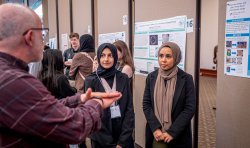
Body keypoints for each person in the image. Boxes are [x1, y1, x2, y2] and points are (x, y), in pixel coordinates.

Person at [0, 3, 121, 147]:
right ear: (30, 37)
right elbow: (74, 128)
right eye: (42, 34)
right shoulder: (15, 81)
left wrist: (81, 99)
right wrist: (97, 103)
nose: (43, 41)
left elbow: (44, 109)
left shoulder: (9, 74)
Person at [143, 42, 196, 148]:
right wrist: (155, 128)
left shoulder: (186, 79)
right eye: (161, 56)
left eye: (168, 56)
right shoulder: (151, 77)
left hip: (178, 135)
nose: (163, 60)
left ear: (176, 58)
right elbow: (146, 104)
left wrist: (172, 132)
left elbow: (190, 108)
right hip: (155, 133)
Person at [84, 43, 135, 148]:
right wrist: (110, 144)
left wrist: (122, 141)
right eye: (102, 55)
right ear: (98, 57)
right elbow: (92, 115)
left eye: (110, 55)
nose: (106, 59)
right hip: (101, 138)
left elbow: (129, 110)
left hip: (123, 137)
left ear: (115, 57)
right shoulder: (91, 80)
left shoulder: (123, 78)